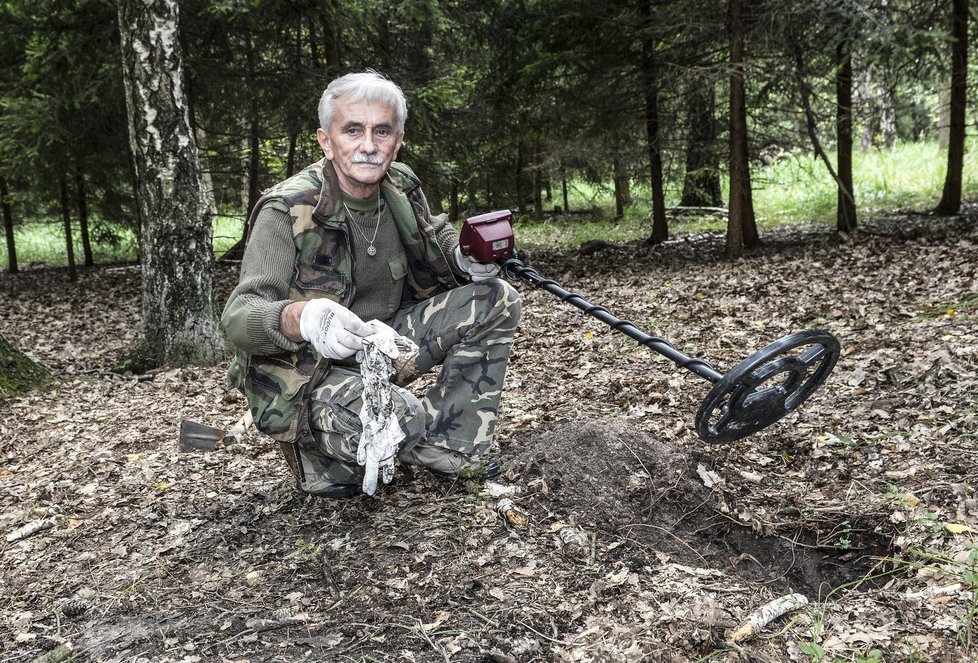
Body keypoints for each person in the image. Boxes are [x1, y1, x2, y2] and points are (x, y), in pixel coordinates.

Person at [221, 70, 521, 499]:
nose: (368, 145)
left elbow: (435, 236)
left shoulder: (401, 185)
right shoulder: (286, 208)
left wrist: (463, 259)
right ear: (326, 140)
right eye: (353, 130)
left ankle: (449, 449)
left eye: (382, 131)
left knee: (497, 299)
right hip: (308, 368)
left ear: (398, 140)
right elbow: (237, 316)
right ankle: (315, 451)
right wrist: (302, 318)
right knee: (395, 427)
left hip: (385, 343)